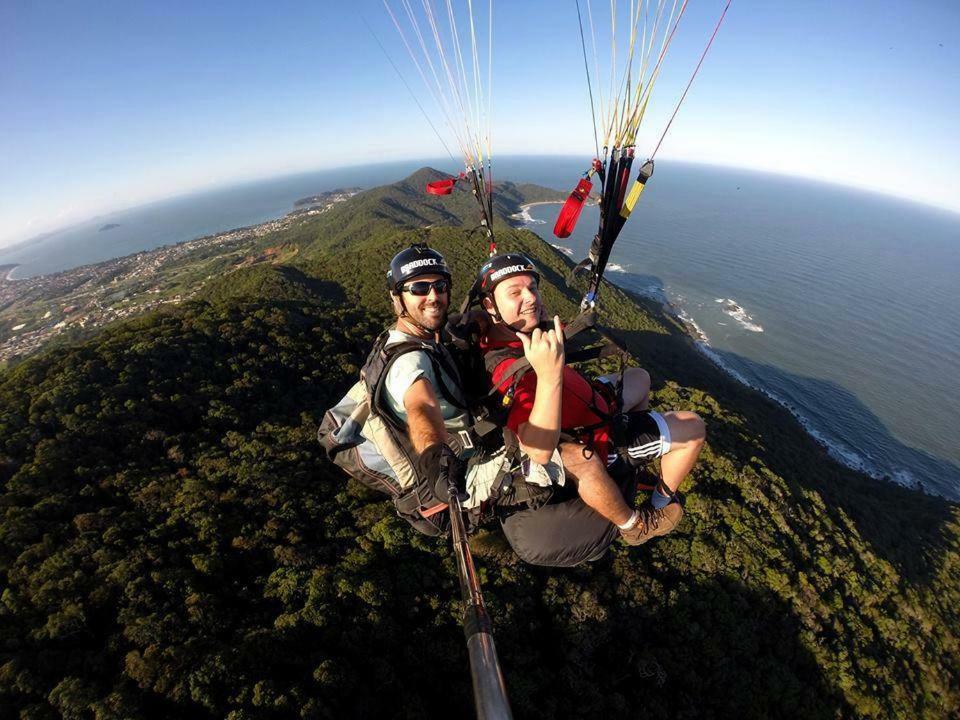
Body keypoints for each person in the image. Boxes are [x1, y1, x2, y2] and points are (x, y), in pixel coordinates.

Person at [475, 252, 706, 545]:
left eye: (532, 288)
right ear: (491, 305)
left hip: (589, 400)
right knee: (693, 426)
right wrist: (549, 374)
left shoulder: (506, 335)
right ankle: (651, 513)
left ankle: (635, 466)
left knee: (640, 377)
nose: (531, 298)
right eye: (515, 293)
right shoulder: (508, 370)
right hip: (592, 436)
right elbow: (538, 449)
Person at [382, 243, 470, 503]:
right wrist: (438, 462)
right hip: (464, 458)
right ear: (397, 298)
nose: (433, 296)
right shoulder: (408, 363)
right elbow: (421, 407)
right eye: (419, 288)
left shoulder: (407, 336)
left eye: (440, 286)